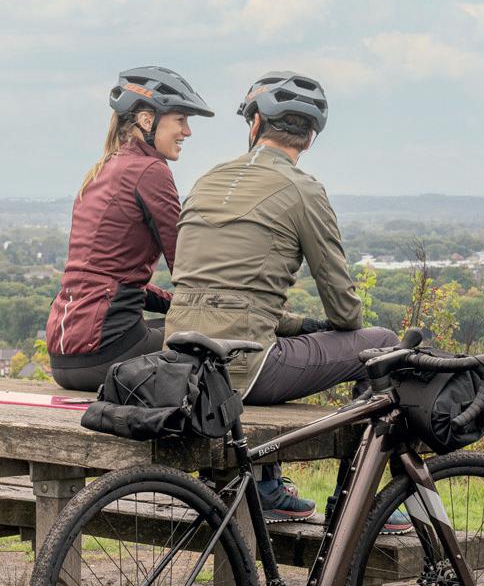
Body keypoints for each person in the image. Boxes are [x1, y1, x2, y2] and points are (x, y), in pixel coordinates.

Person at [166, 71, 404, 529]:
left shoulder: (207, 179)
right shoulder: (303, 190)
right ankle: (355, 505)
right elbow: (345, 310)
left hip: (182, 361)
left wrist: (295, 325)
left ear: (255, 123)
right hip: (243, 368)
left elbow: (221, 290)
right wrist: (322, 325)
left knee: (275, 342)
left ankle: (267, 487)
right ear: (310, 138)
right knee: (383, 345)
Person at [47, 66, 213, 392]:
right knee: (220, 344)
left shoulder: (104, 169)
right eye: (180, 119)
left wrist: (172, 303)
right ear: (147, 120)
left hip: (65, 358)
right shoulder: (150, 170)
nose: (188, 131)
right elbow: (187, 267)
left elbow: (110, 279)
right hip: (106, 354)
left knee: (173, 328)